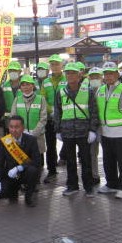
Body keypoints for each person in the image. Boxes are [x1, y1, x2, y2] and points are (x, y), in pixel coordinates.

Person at [54, 63, 98, 198]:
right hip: (67, 132)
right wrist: (58, 130)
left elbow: (93, 111)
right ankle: (72, 186)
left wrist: (92, 130)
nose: (70, 76)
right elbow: (57, 112)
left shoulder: (88, 91)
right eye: (68, 73)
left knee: (86, 161)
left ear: (79, 75)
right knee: (70, 162)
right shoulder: (60, 92)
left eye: (73, 73)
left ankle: (88, 187)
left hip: (84, 132)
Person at [95, 62, 122, 199]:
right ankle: (111, 184)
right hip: (105, 132)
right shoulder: (100, 90)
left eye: (111, 73)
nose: (108, 76)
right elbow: (96, 111)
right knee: (108, 160)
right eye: (106, 73)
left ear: (117, 74)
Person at [0, 115, 41, 207]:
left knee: (33, 170)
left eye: (17, 127)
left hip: (25, 173)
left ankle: (28, 196)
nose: (14, 130)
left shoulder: (31, 140)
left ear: (23, 128)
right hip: (11, 175)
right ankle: (13, 190)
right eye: (11, 127)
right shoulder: (5, 141)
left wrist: (20, 167)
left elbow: (37, 161)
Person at [11, 75, 47, 174]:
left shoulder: (41, 99)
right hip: (21, 137)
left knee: (37, 160)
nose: (26, 87)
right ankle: (25, 181)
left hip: (37, 136)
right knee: (23, 160)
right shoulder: (17, 99)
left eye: (28, 84)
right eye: (23, 85)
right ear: (20, 87)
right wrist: (20, 133)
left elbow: (43, 119)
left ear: (33, 86)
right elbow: (13, 117)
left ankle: (36, 180)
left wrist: (34, 133)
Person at [42, 54, 67, 182]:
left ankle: (71, 174)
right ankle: (51, 171)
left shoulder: (67, 79)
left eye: (57, 64)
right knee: (50, 146)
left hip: (66, 117)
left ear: (61, 65)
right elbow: (42, 99)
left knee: (69, 145)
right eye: (52, 64)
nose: (54, 66)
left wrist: (60, 112)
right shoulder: (46, 81)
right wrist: (51, 111)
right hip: (50, 119)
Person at [87, 67, 104, 184]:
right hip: (92, 127)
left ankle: (111, 178)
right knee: (92, 152)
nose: (94, 79)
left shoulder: (106, 89)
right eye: (92, 77)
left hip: (105, 126)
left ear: (101, 78)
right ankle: (94, 175)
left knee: (108, 153)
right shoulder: (86, 91)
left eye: (97, 76)